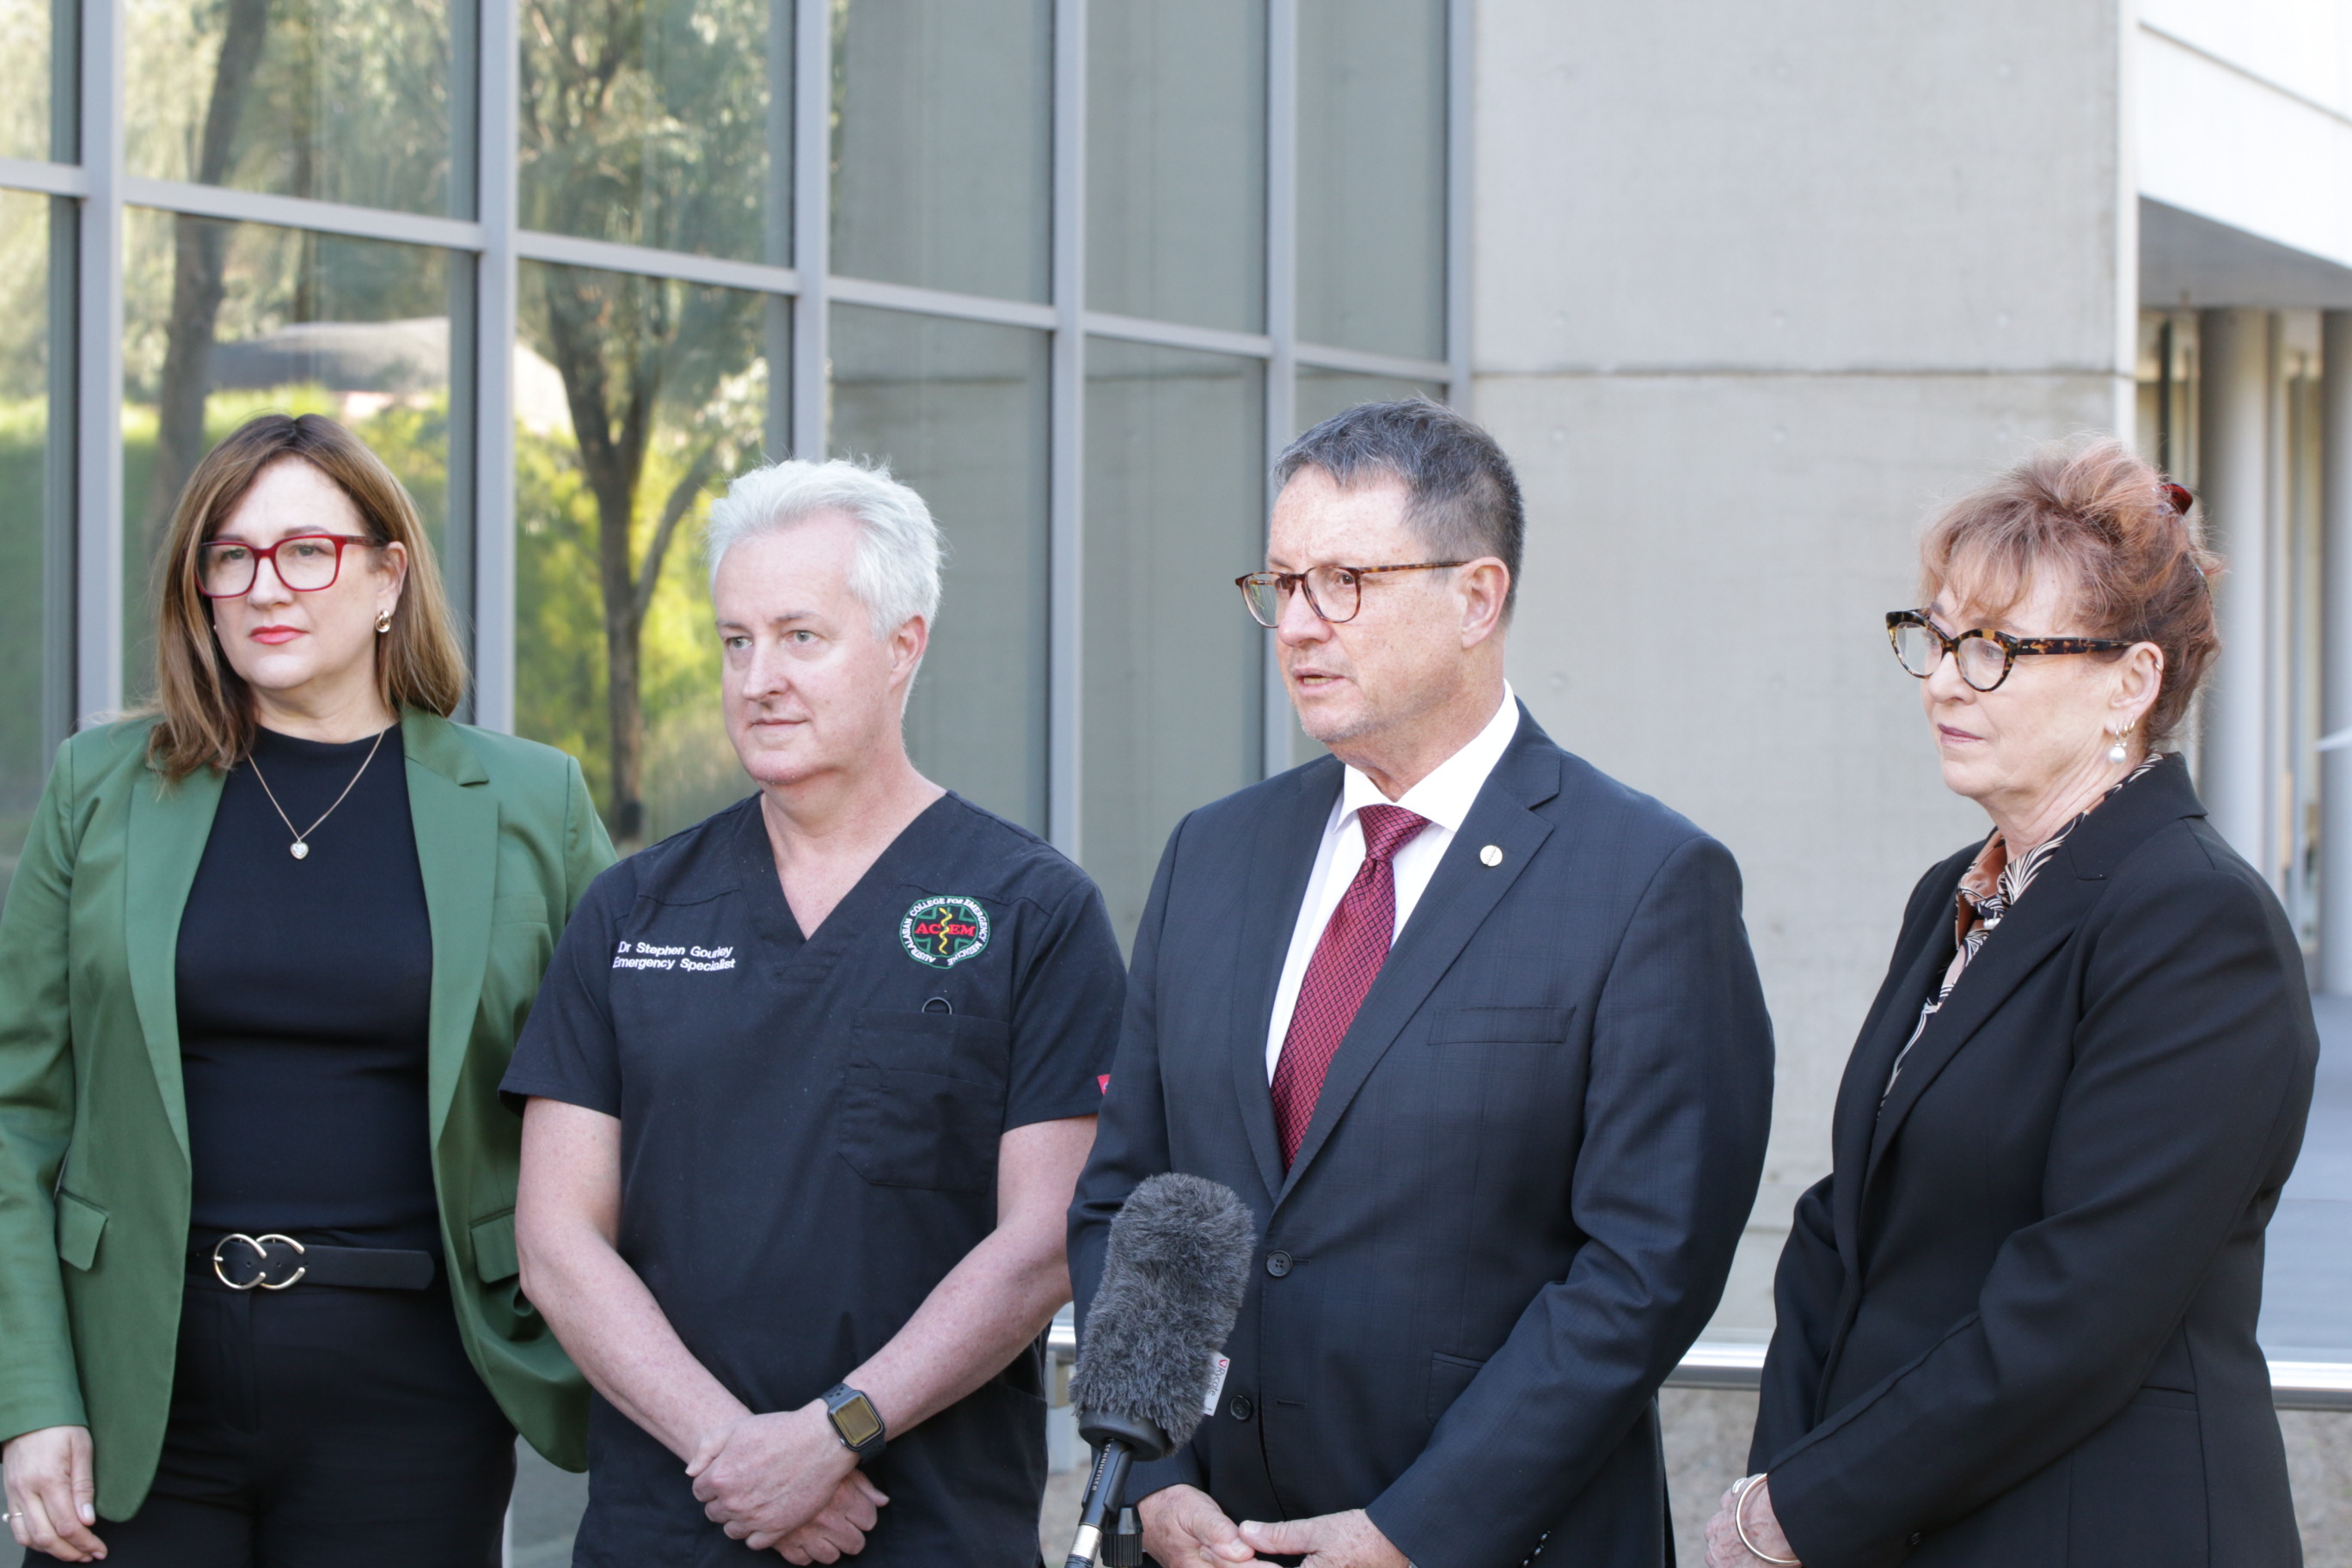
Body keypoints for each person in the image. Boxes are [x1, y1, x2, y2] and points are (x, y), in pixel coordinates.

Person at [1069, 398, 1777, 1568]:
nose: (1299, 625)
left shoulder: (1647, 881)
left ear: (1478, 597)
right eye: (1282, 583)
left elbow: (1645, 1272)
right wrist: (1157, 1477)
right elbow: (1127, 1199)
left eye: (1346, 581)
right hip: (1210, 1539)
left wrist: (1415, 1530)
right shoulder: (1214, 854)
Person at [0, 413, 611, 1565]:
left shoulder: (534, 803)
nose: (260, 586)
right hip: (136, 1387)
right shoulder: (102, 789)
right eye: (227, 557)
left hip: (415, 1396)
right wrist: (31, 1396)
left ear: (389, 574)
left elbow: (624, 1097)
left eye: (304, 550)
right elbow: (16, 1111)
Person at [505, 457, 1125, 1565]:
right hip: (671, 1521)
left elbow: (1043, 1244)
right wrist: (740, 1453)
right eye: (736, 641)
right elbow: (557, 1243)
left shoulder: (1033, 910)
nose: (758, 680)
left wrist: (838, 1431)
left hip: (922, 1528)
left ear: (903, 646)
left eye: (802, 637)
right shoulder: (632, 909)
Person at [1708, 439, 2316, 1568]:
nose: (1944, 679)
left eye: (1993, 650)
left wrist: (1804, 1507)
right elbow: (1846, 1224)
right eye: (1935, 639)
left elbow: (2080, 1309)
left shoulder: (2195, 921)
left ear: (2131, 684)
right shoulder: (1960, 891)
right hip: (1918, 1515)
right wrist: (1779, 1486)